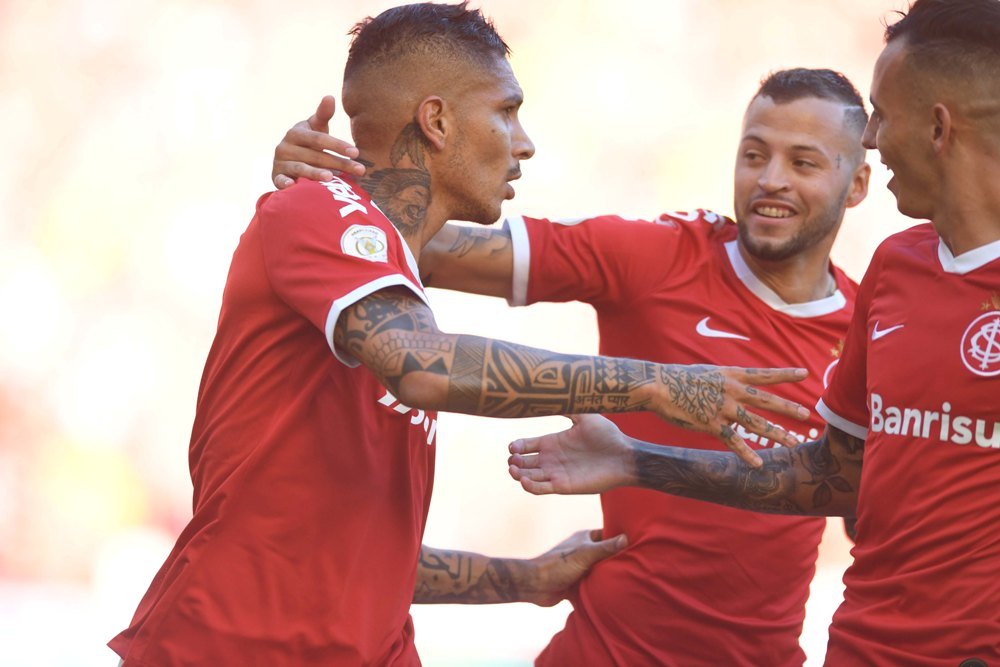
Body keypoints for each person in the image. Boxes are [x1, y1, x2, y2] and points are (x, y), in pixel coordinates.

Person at [108, 3, 809, 666]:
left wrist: (526, 577)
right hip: (229, 646)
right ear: (436, 120)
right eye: (507, 112)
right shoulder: (316, 210)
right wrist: (651, 382)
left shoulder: (390, 265)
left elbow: (357, 554)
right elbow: (422, 367)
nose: (524, 143)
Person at [272, 67, 871, 665]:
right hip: (607, 651)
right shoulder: (663, 257)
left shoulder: (873, 331)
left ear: (858, 182)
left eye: (803, 163)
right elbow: (414, 246)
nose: (770, 180)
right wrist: (334, 190)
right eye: (753, 154)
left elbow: (865, 514)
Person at [505, 1, 1000, 664]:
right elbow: (831, 475)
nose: (874, 137)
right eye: (755, 155)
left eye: (881, 113)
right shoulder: (896, 268)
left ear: (939, 128)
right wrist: (637, 460)